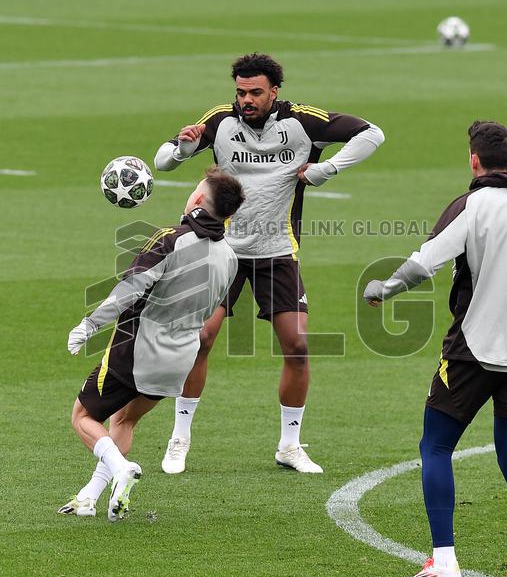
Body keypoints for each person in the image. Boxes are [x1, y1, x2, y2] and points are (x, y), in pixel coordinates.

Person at [363, 121, 507, 577]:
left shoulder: (469, 206)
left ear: (473, 160)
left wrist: (384, 289)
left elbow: (424, 262)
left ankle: (444, 561)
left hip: (471, 351)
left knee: (435, 447)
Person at [153, 53, 385, 475]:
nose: (246, 100)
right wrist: (184, 148)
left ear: (274, 91)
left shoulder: (302, 123)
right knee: (201, 339)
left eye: (255, 92)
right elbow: (163, 160)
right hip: (220, 250)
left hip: (277, 252)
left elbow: (372, 133)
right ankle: (179, 438)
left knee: (297, 345)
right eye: (240, 92)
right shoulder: (220, 121)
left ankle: (289, 446)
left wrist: (328, 168)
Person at [58, 167, 244, 521]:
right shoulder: (231, 257)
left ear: (198, 199)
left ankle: (121, 468)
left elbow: (130, 288)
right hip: (180, 360)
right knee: (124, 420)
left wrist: (90, 324)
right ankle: (90, 497)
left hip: (137, 350)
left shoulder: (169, 238)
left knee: (83, 416)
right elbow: (211, 310)